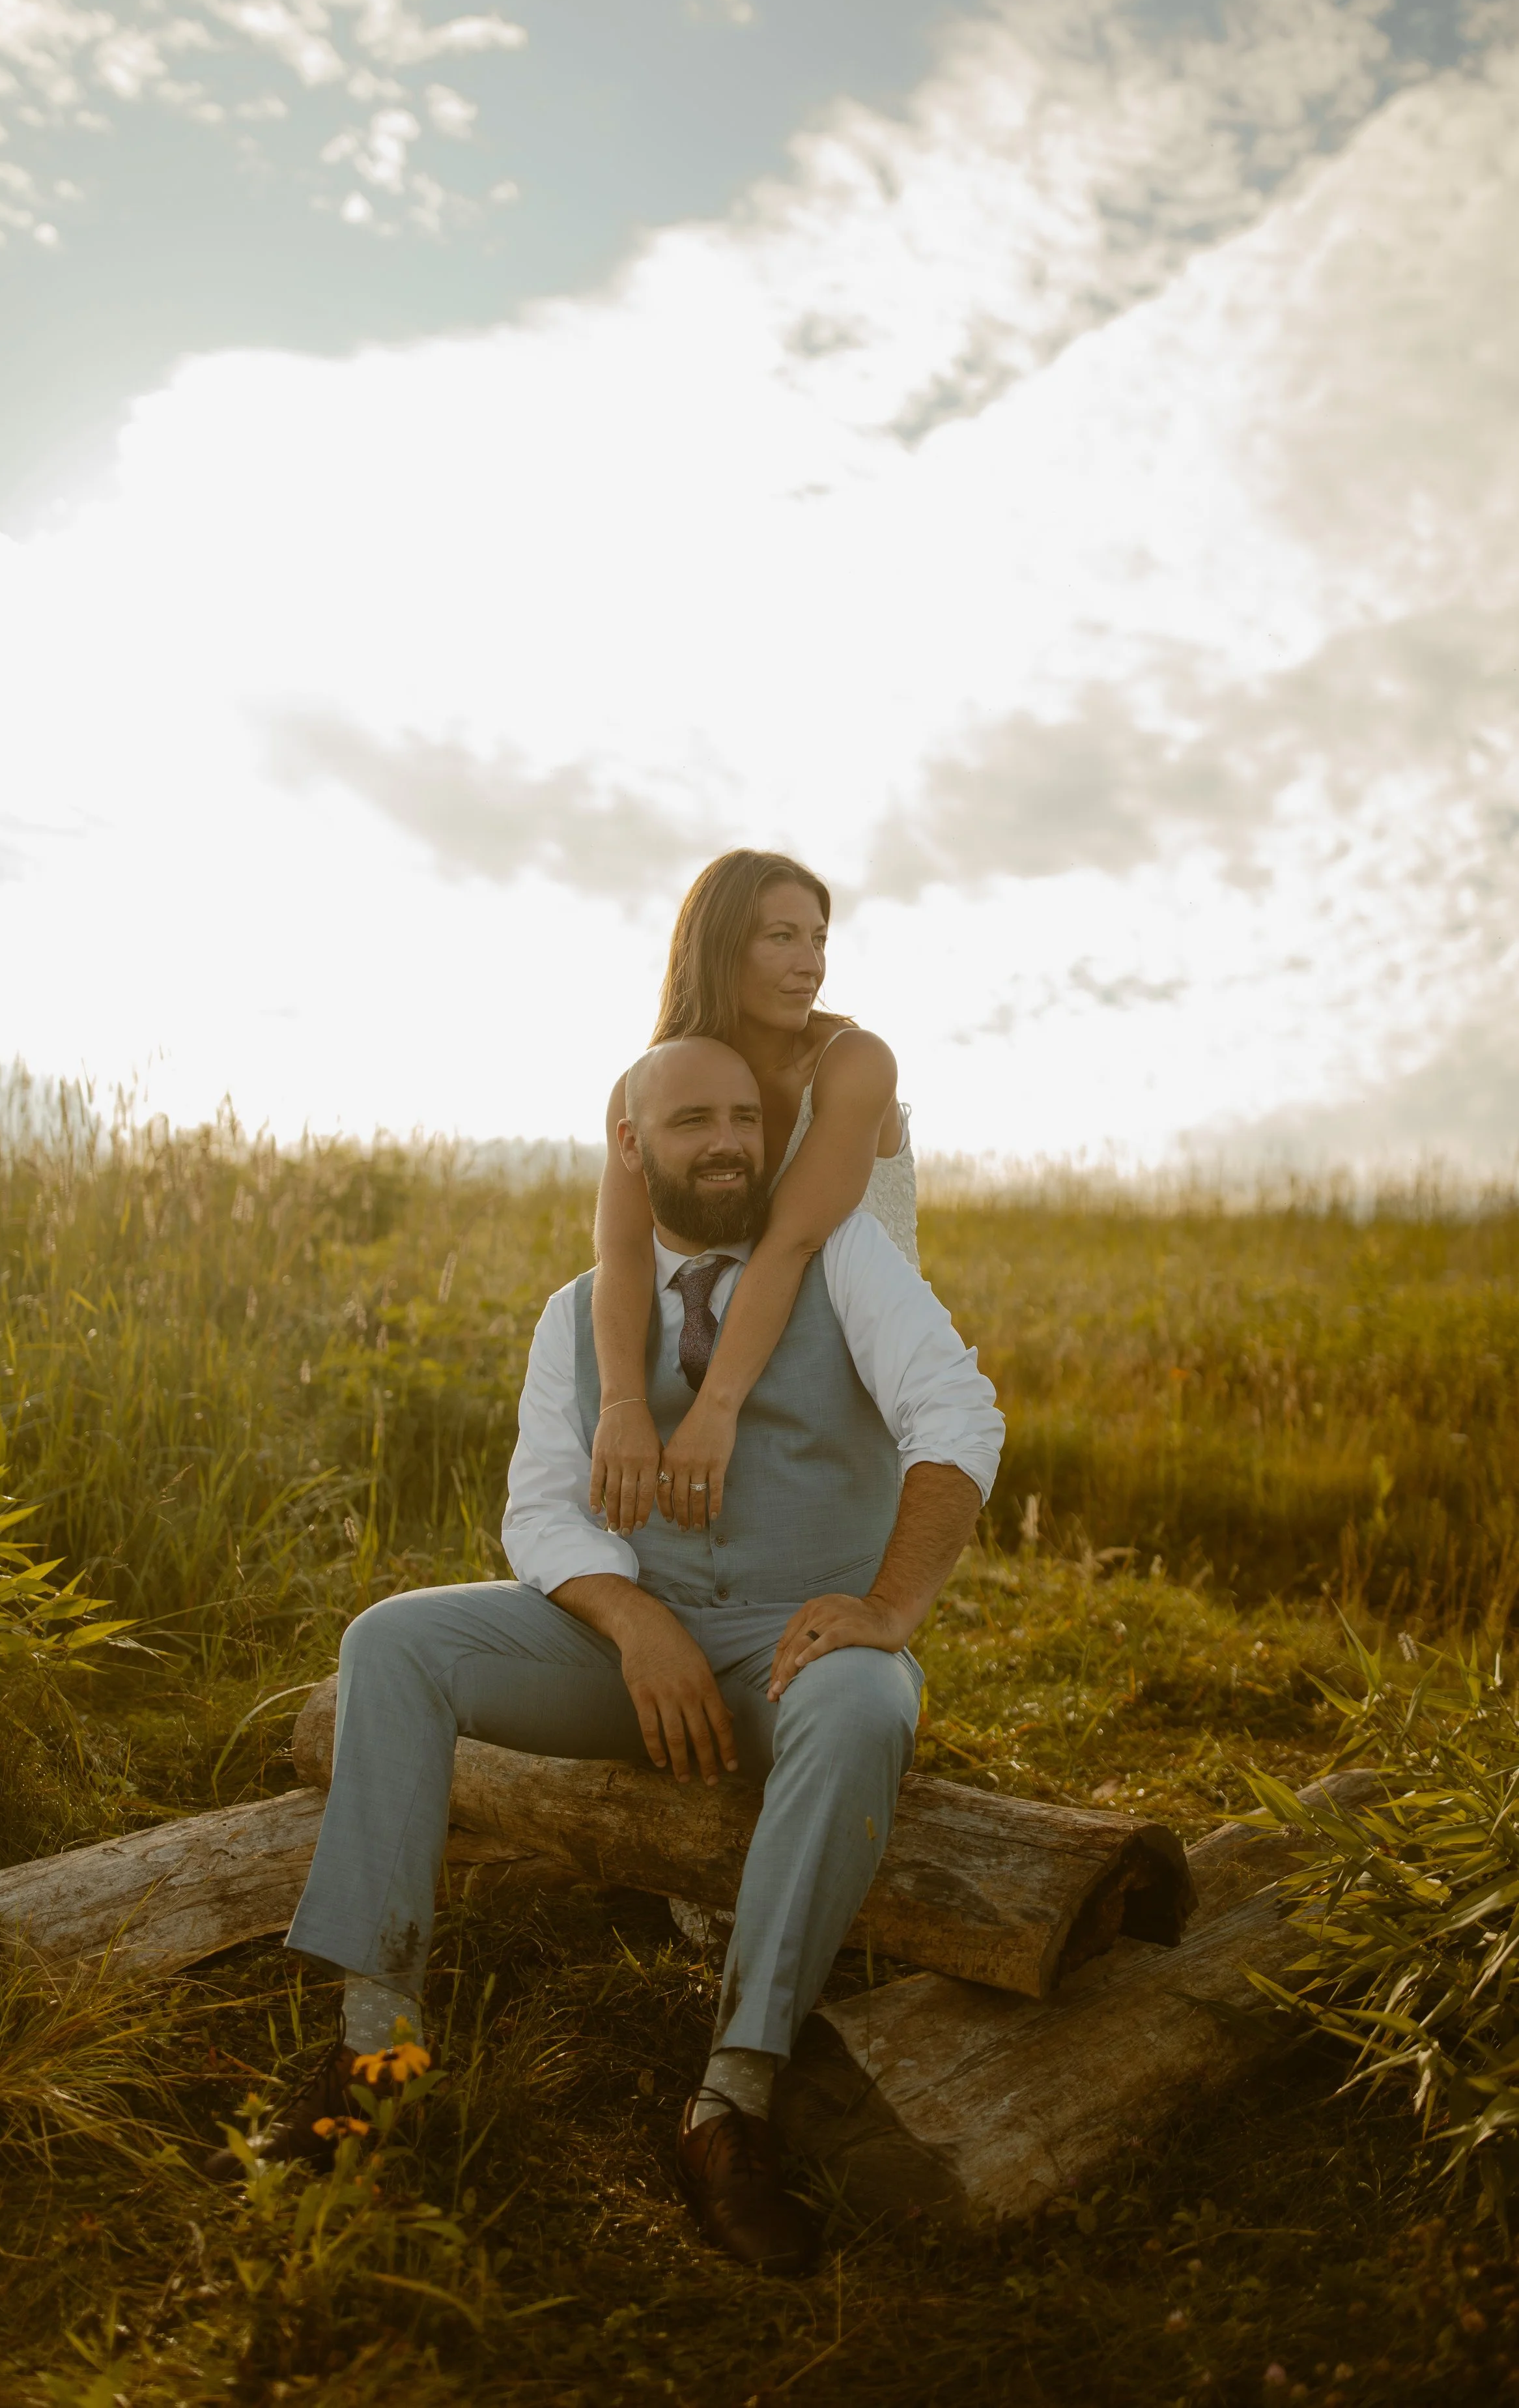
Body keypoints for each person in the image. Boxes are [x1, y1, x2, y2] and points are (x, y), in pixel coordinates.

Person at [259, 1036, 1003, 2277]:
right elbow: (544, 1511)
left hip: (795, 1647)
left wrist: (889, 1607)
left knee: (869, 1705)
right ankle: (376, 2048)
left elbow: (960, 1414)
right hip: (630, 1649)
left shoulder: (841, 1266)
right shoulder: (577, 1314)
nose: (726, 1142)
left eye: (745, 1121)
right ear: (631, 1148)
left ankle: (732, 2102)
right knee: (393, 1643)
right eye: (692, 1121)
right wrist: (636, 1620)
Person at [591, 848, 917, 1543]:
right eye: (782, 937)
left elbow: (792, 1242)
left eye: (819, 939)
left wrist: (717, 1409)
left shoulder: (856, 1063)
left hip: (845, 1350)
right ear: (719, 948)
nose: (811, 964)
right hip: (724, 1342)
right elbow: (621, 1250)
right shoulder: (648, 1084)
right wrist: (621, 1403)